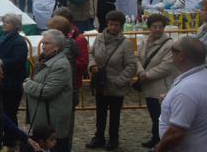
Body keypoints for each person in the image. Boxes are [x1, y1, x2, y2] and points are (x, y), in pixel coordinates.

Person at [86, 10, 136, 150]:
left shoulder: (125, 43)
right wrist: (92, 65)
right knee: (100, 113)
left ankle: (113, 138)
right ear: (107, 24)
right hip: (101, 83)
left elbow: (131, 65)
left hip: (116, 85)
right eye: (111, 24)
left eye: (116, 25)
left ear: (121, 26)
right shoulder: (100, 37)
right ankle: (99, 137)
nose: (113, 27)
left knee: (115, 115)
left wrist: (120, 81)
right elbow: (91, 53)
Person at [22, 29, 73, 152]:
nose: (43, 46)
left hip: (52, 120)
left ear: (57, 47)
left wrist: (27, 85)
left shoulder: (60, 65)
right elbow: (36, 79)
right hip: (44, 118)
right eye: (43, 43)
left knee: (57, 147)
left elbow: (47, 91)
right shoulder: (45, 60)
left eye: (47, 43)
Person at [155, 37, 207, 152]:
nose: (171, 53)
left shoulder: (186, 90)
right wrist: (171, 100)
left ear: (181, 56)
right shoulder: (201, 76)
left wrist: (159, 149)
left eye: (173, 49)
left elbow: (175, 134)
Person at [136, 13, 177, 148]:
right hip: (148, 86)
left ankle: (162, 142)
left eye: (161, 27)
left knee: (161, 116)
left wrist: (146, 75)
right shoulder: (144, 41)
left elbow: (167, 66)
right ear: (149, 28)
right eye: (155, 26)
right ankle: (155, 137)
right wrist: (141, 71)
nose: (158, 29)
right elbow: (137, 58)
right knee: (153, 114)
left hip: (161, 87)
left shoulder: (170, 44)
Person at [0, 13, 28, 140]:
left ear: (15, 26)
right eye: (4, 21)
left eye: (7, 22)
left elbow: (18, 61)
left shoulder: (19, 41)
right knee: (2, 112)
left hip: (12, 83)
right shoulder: (1, 37)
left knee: (10, 112)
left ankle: (11, 139)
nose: (4, 24)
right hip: (1, 81)